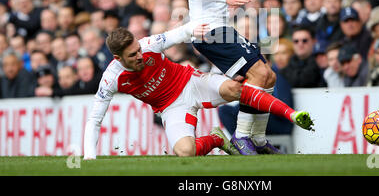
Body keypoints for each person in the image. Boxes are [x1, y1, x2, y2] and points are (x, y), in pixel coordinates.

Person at [83, 23, 313, 159]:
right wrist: (90, 158)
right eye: (132, 55)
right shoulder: (111, 79)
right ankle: (216, 138)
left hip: (190, 83)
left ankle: (287, 116)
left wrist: (196, 27)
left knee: (235, 88)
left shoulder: (149, 44)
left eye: (138, 49)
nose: (140, 56)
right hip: (170, 107)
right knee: (185, 152)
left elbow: (180, 33)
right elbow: (94, 118)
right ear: (117, 58)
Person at [182, 0, 282, 155]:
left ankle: (257, 138)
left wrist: (226, 7)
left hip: (221, 26)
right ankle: (241, 136)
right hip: (208, 31)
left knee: (268, 75)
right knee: (258, 74)